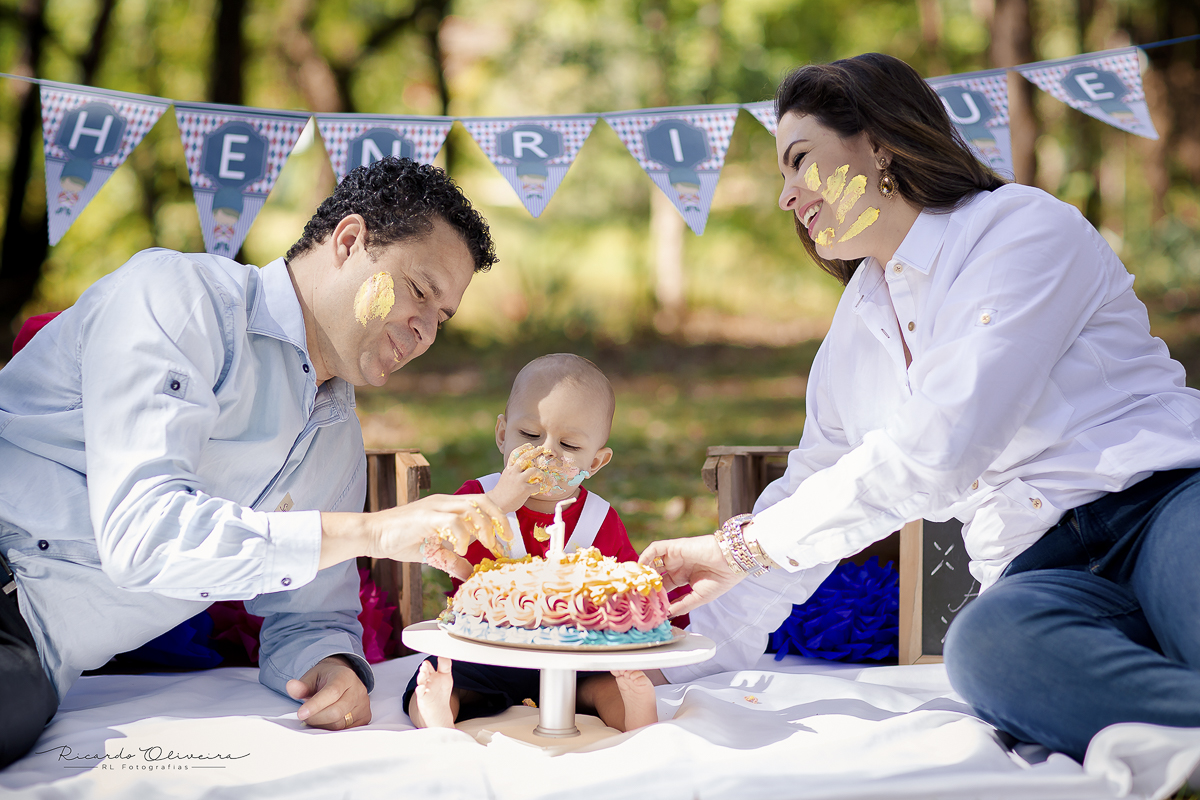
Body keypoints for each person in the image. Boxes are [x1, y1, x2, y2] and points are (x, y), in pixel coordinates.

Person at [639, 52, 1200, 763]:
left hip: (1163, 504)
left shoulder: (1022, 229)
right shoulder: (856, 325)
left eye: (800, 160)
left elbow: (941, 447)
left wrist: (740, 546)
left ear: (878, 142)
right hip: (1041, 573)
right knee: (987, 651)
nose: (786, 195)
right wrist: (665, 659)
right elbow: (811, 484)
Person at [0, 157, 514, 768]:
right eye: (419, 292)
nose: (425, 331)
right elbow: (143, 535)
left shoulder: (334, 438)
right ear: (349, 242)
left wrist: (329, 666)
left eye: (442, 318)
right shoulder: (179, 299)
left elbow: (311, 615)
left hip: (32, 656)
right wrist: (373, 531)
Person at [406, 354, 658, 732]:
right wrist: (498, 503)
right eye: (529, 436)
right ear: (502, 434)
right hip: (487, 652)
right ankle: (439, 710)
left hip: (574, 657)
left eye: (569, 444)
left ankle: (635, 708)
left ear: (597, 461)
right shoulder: (479, 498)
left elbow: (626, 586)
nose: (546, 453)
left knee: (606, 686)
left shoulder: (598, 519)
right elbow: (435, 542)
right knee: (439, 681)